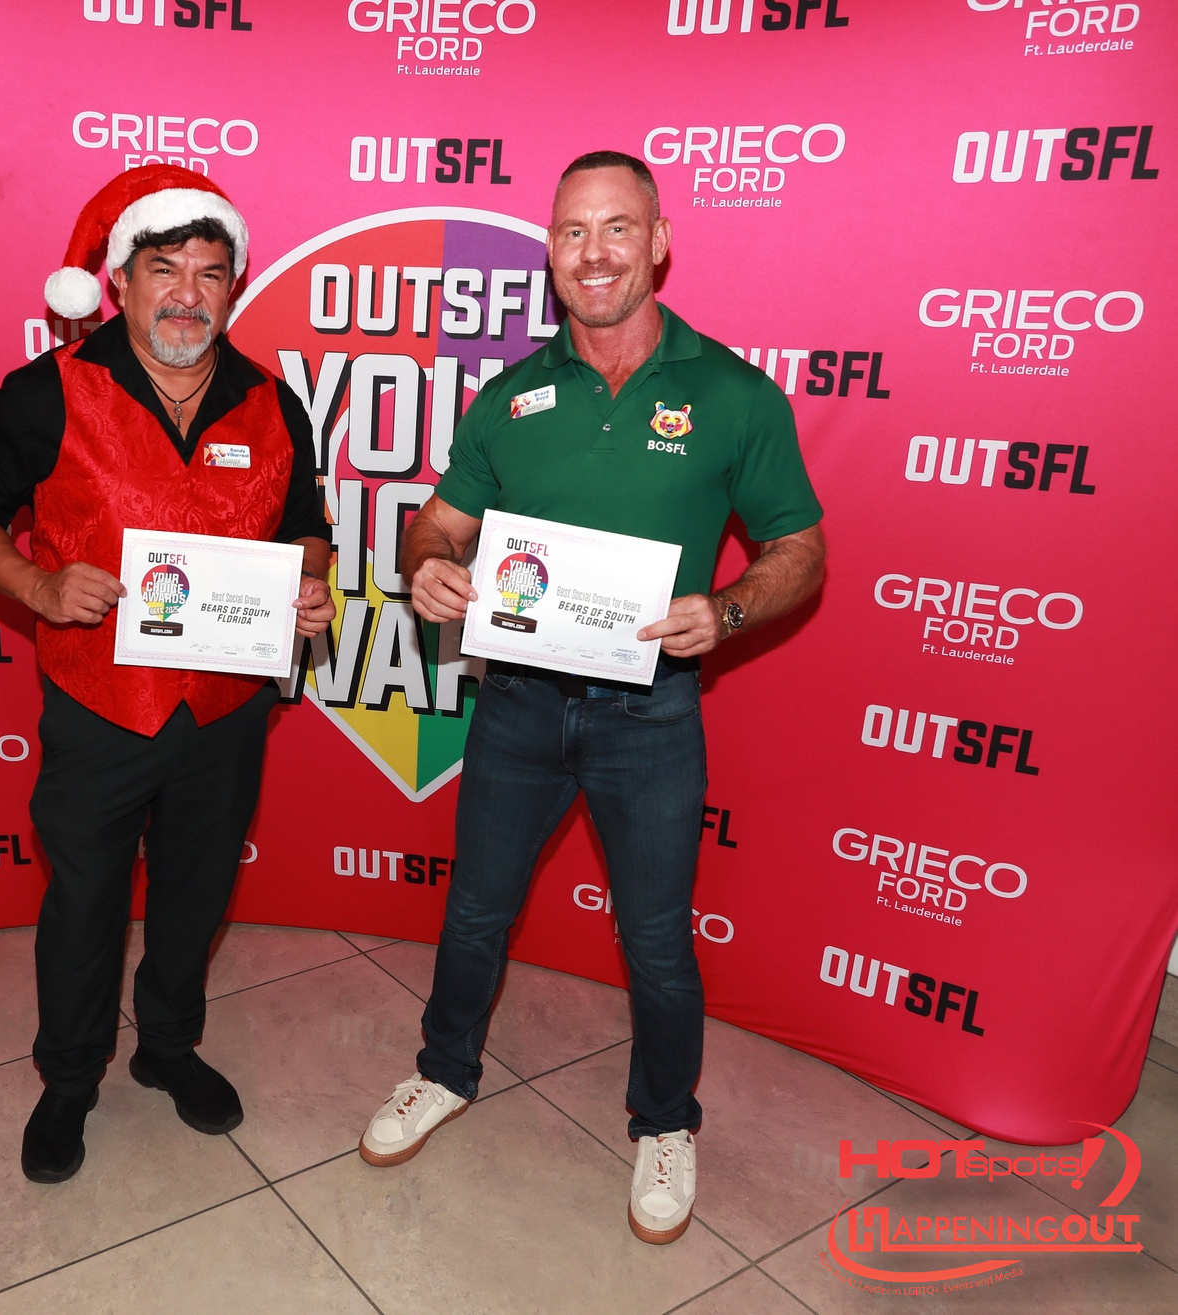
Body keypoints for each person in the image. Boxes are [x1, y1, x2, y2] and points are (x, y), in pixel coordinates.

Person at [357, 151, 824, 1244]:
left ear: (658, 242)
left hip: (649, 712)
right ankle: (444, 1070)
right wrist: (427, 564)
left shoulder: (733, 394)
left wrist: (731, 609)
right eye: (573, 232)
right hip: (519, 700)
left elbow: (800, 549)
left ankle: (666, 1120)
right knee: (477, 909)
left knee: (656, 937)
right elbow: (439, 522)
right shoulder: (510, 395)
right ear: (551, 254)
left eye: (618, 228)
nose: (595, 252)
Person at [0, 165, 335, 1184]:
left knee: (196, 893)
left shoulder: (273, 401)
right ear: (119, 281)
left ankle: (167, 1046)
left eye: (211, 273)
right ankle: (69, 1080)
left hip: (226, 708)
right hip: (99, 707)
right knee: (85, 903)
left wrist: (309, 584)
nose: (188, 295)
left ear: (233, 286)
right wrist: (36, 583)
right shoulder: (47, 391)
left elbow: (307, 528)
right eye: (166, 269)